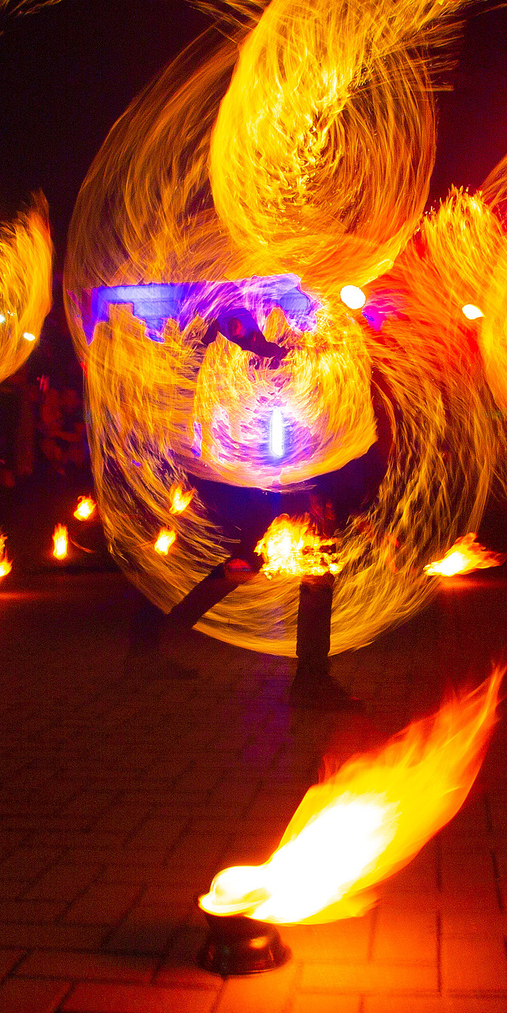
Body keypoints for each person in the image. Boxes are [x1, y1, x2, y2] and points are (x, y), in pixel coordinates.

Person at [121, 301, 376, 712]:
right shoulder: (243, 312)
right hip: (265, 473)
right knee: (310, 564)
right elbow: (235, 329)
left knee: (251, 561)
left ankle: (151, 643)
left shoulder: (279, 318)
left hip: (273, 471)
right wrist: (265, 346)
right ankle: (310, 678)